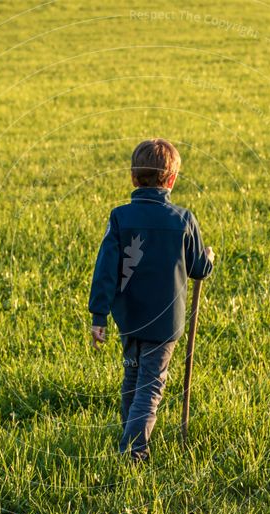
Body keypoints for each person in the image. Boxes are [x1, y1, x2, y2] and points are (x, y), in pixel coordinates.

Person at [88, 138, 215, 461]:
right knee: (150, 386)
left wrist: (99, 316)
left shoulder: (119, 218)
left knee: (132, 376)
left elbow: (105, 270)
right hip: (164, 322)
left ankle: (129, 434)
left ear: (133, 177)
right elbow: (200, 268)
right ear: (171, 180)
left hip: (129, 318)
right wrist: (209, 257)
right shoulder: (183, 219)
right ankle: (133, 451)